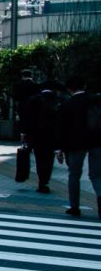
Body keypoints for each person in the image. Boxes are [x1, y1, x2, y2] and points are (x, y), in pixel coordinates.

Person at [58, 77, 99, 218]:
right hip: (97, 142)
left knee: (74, 174)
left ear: (69, 89)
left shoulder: (67, 104)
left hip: (75, 144)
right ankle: (100, 197)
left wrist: (60, 149)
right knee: (97, 175)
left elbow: (61, 129)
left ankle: (74, 206)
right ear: (85, 86)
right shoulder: (96, 100)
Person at [22, 81, 65, 194]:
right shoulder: (57, 100)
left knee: (39, 158)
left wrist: (25, 133)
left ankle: (41, 181)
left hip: (36, 135)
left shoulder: (33, 99)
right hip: (52, 135)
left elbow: (26, 118)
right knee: (49, 159)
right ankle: (46, 180)